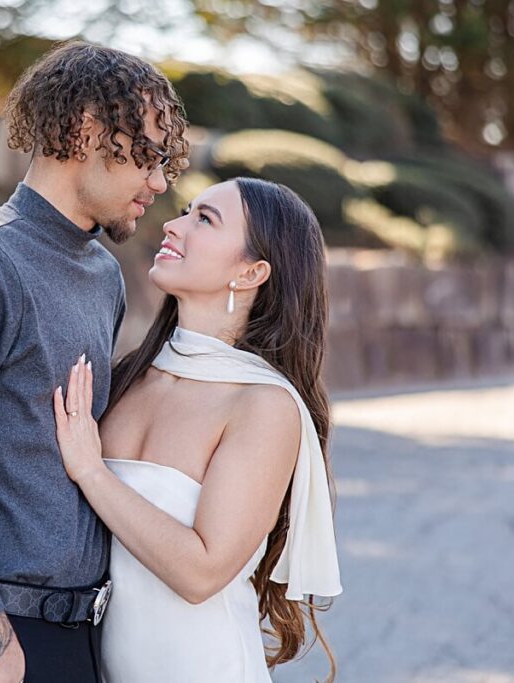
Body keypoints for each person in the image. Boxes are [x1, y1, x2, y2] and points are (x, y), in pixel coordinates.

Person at [0, 40, 189, 683]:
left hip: (85, 641)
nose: (160, 181)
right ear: (86, 130)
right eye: (151, 155)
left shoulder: (103, 273)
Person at [53, 177, 343, 682]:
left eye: (204, 219)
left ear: (251, 272)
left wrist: (91, 472)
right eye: (186, 211)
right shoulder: (128, 378)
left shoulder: (263, 406)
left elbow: (200, 573)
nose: (172, 224)